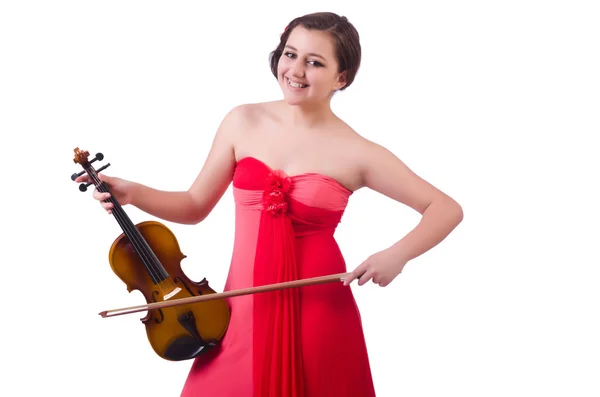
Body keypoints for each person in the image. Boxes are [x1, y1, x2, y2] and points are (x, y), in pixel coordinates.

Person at [76, 11, 463, 397]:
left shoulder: (360, 152)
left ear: (341, 78)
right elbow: (195, 205)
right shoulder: (242, 121)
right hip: (242, 307)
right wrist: (133, 192)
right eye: (290, 54)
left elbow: (444, 208)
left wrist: (396, 255)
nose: (295, 69)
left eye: (314, 62)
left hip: (319, 311)